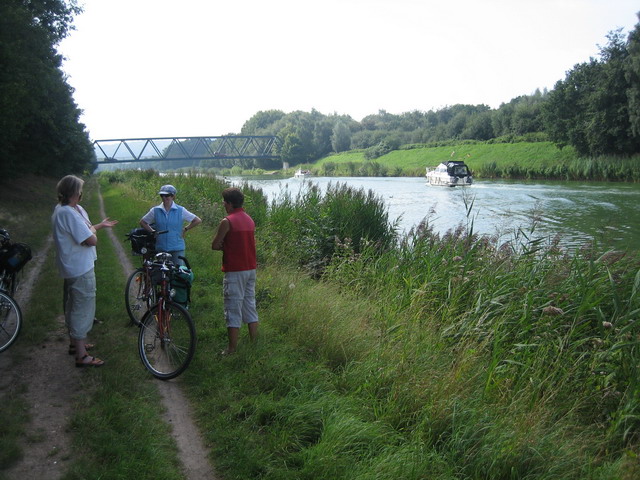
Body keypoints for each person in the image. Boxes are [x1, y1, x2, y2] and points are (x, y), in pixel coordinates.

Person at [52, 175, 118, 367]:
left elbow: (86, 231)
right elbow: (90, 240)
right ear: (75, 193)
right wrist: (93, 231)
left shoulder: (64, 210)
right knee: (82, 307)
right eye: (80, 190)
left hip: (72, 266)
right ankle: (81, 356)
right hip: (80, 268)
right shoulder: (68, 213)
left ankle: (75, 343)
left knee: (72, 304)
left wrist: (97, 226)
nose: (81, 193)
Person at [211, 187, 258, 355]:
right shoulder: (249, 219)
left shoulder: (227, 221)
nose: (223, 205)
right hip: (250, 268)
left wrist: (227, 246)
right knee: (250, 305)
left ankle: (231, 349)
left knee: (233, 307)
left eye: (224, 202)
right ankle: (254, 344)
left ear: (230, 204)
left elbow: (215, 245)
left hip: (235, 270)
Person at [140, 184, 201, 266]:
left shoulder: (181, 210)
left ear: (173, 196)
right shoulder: (155, 210)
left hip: (177, 248)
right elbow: (143, 222)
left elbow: (197, 220)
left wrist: (185, 229)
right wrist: (153, 231)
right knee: (160, 274)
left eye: (167, 195)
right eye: (162, 195)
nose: (164, 198)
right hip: (161, 248)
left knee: (178, 274)